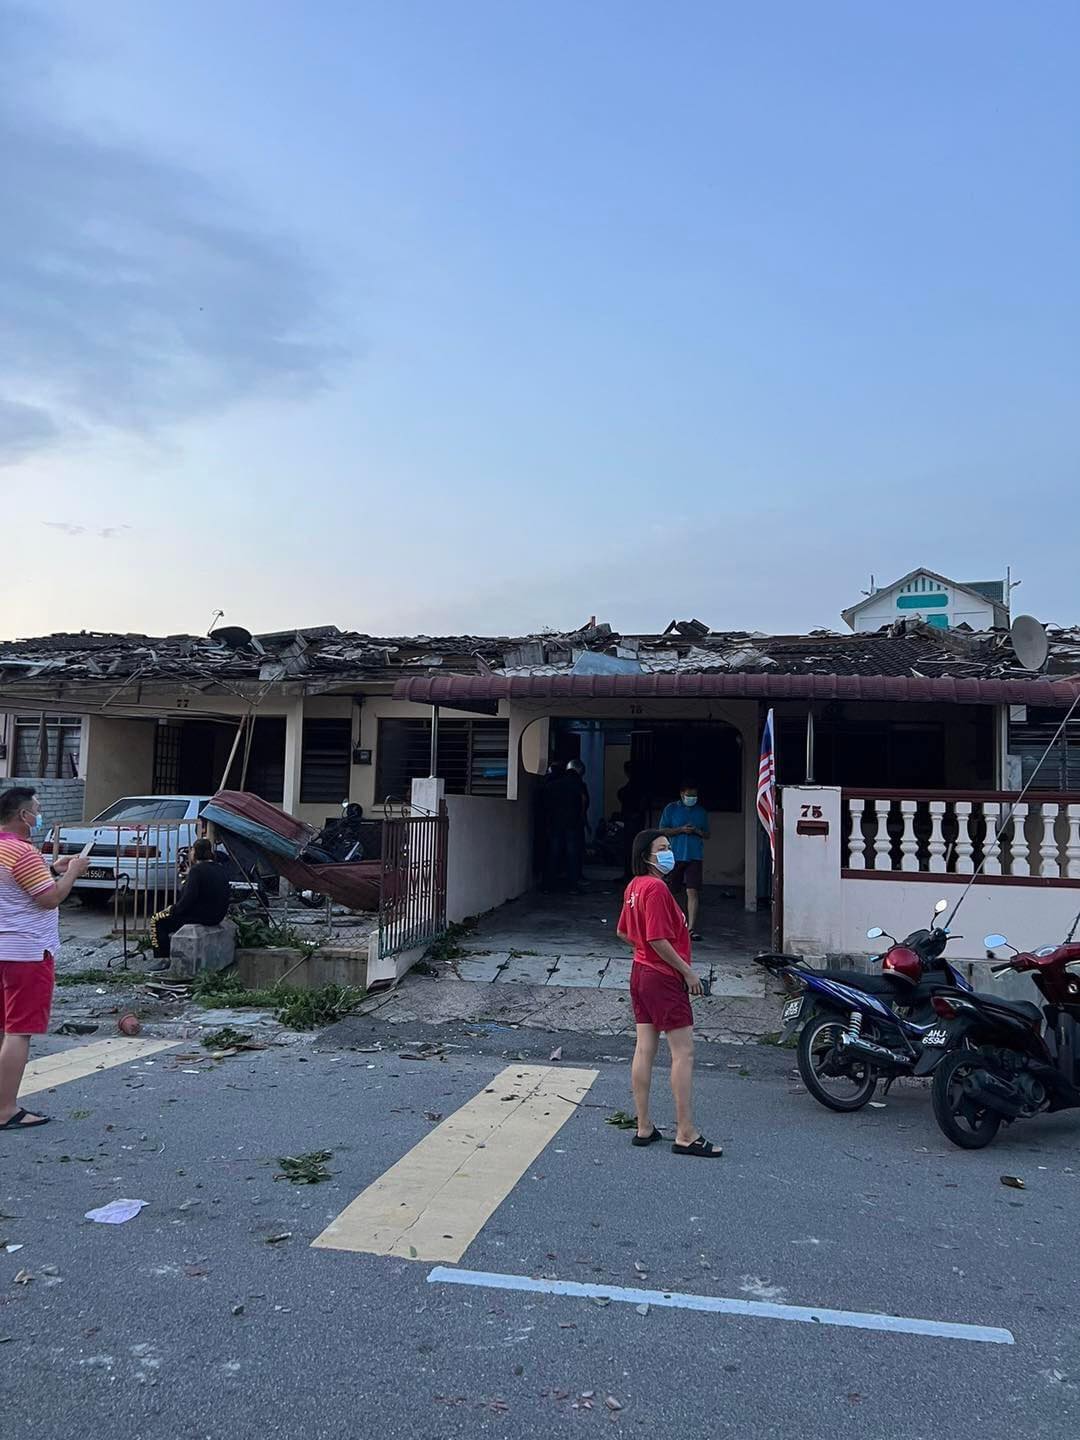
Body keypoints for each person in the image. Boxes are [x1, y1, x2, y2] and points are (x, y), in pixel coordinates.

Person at [616, 829, 721, 1157]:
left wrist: (644, 952)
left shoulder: (634, 886)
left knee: (644, 1048)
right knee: (683, 1053)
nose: (668, 853)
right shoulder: (658, 889)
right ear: (646, 855)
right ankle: (686, 1132)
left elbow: (623, 931)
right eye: (661, 848)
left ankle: (644, 1126)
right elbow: (659, 940)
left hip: (640, 974)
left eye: (669, 847)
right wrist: (687, 973)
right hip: (663, 979)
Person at [0, 786, 90, 1130]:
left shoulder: (11, 852)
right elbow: (50, 899)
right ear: (24, 816)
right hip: (26, 952)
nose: (39, 815)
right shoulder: (23, 854)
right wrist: (72, 872)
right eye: (36, 809)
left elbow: (20, 887)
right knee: (18, 1031)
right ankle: (6, 1109)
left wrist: (52, 866)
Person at [150, 837, 231, 960]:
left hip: (201, 916)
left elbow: (188, 899)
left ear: (196, 853)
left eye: (192, 850)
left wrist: (173, 909)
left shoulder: (196, 871)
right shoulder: (219, 869)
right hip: (217, 915)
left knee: (156, 920)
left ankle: (162, 958)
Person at [659, 782, 710, 939]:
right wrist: (680, 830)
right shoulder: (671, 809)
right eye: (689, 795)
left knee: (692, 891)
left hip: (694, 855)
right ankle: (669, 925)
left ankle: (691, 929)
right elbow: (662, 830)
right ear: (682, 794)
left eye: (694, 795)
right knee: (670, 892)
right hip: (674, 855)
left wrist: (696, 831)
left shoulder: (701, 812)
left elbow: (707, 834)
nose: (692, 798)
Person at [542, 759, 588, 892]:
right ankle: (572, 885)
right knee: (572, 854)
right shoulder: (577, 784)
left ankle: (548, 885)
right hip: (572, 824)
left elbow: (545, 804)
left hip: (555, 823)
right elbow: (583, 801)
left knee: (553, 852)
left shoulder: (553, 784)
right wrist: (582, 818)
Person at [616, 761, 647, 880]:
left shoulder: (632, 787)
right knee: (634, 848)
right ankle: (633, 873)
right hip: (635, 819)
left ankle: (631, 873)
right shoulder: (638, 786)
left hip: (632, 819)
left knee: (631, 848)